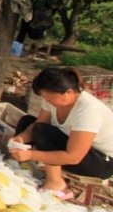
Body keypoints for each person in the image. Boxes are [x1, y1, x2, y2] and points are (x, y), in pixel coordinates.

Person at [9, 68, 113, 199]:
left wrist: (30, 154)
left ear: (68, 92)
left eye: (49, 98)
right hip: (71, 143)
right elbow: (39, 123)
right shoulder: (52, 100)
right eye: (44, 97)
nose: (46, 101)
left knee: (43, 131)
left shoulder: (88, 111)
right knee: (28, 122)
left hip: (101, 162)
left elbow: (73, 157)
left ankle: (56, 182)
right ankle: (23, 165)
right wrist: (20, 139)